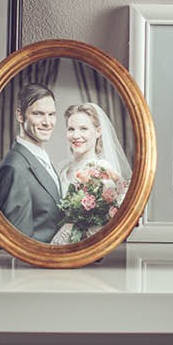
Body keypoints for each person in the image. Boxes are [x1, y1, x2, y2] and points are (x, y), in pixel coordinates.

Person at [50, 102, 131, 245]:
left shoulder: (104, 171)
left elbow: (105, 224)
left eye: (83, 129)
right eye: (71, 129)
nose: (76, 135)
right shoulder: (62, 168)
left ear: (98, 131)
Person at [0, 83, 63, 243]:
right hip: (35, 265)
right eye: (38, 114)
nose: (47, 122)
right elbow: (20, 241)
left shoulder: (39, 157)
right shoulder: (14, 168)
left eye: (51, 114)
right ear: (20, 115)